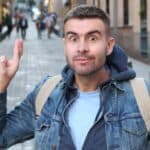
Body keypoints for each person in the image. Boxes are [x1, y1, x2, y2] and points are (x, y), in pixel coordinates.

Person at [0, 5, 149, 150]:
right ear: (65, 44)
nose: (82, 48)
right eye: (73, 38)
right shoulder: (46, 93)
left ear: (109, 46)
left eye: (92, 38)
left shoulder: (142, 96)